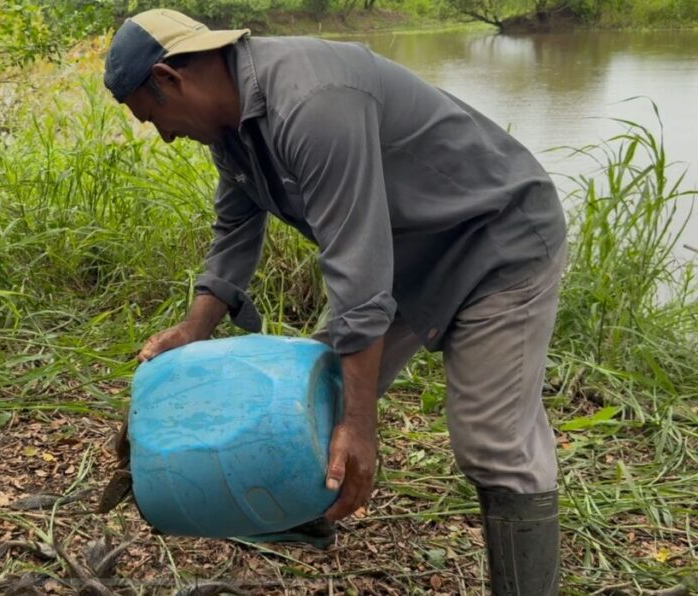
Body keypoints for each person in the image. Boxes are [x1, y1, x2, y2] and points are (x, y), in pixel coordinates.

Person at [103, 9, 567, 594]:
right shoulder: (234, 126)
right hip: (406, 259)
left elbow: (359, 270)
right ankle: (301, 511)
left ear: (171, 79)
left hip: (493, 242)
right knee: (310, 388)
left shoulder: (312, 101)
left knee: (493, 440)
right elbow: (234, 231)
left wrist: (360, 423)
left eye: (156, 118)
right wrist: (194, 328)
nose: (166, 135)